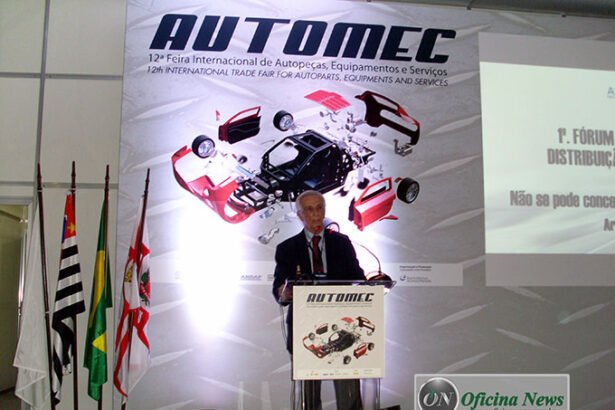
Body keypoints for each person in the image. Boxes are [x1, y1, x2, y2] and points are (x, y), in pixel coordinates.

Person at [272, 190, 365, 410]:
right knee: (309, 399)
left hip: (343, 328)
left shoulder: (342, 243)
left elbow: (359, 278)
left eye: (319, 208)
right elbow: (279, 289)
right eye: (309, 209)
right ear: (300, 215)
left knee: (349, 395)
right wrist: (285, 292)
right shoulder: (287, 248)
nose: (315, 214)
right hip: (305, 330)